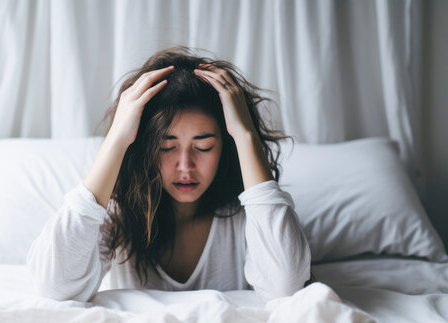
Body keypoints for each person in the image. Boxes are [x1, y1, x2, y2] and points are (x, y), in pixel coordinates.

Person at [26, 46, 315, 304]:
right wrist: (116, 141)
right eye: (166, 147)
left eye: (203, 147)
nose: (185, 166)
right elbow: (53, 287)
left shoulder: (247, 216)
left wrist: (246, 134)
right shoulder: (117, 212)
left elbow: (286, 287)